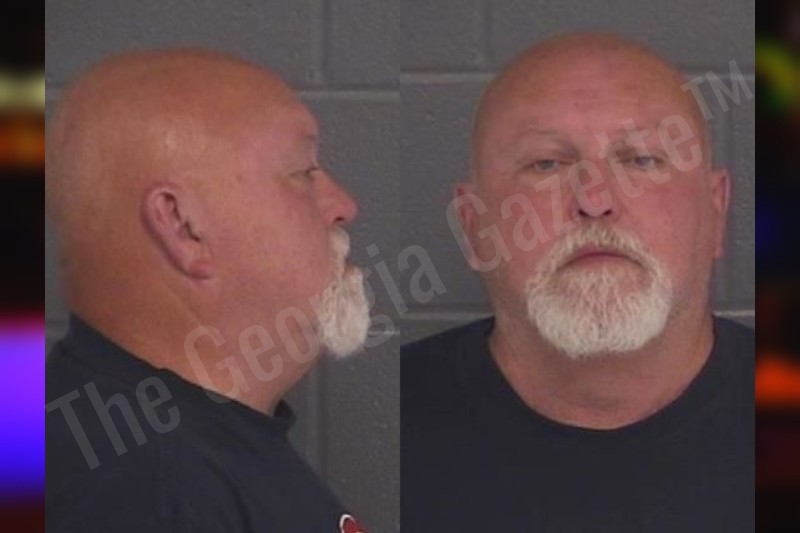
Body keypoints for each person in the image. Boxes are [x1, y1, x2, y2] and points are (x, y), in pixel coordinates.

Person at [402, 32, 754, 532]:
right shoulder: (398, 423)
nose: (595, 200)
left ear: (715, 212)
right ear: (474, 228)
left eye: (642, 160)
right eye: (546, 164)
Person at [46, 49, 370, 533]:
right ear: (183, 227)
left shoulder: (170, 457)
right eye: (304, 172)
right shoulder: (152, 497)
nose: (344, 205)